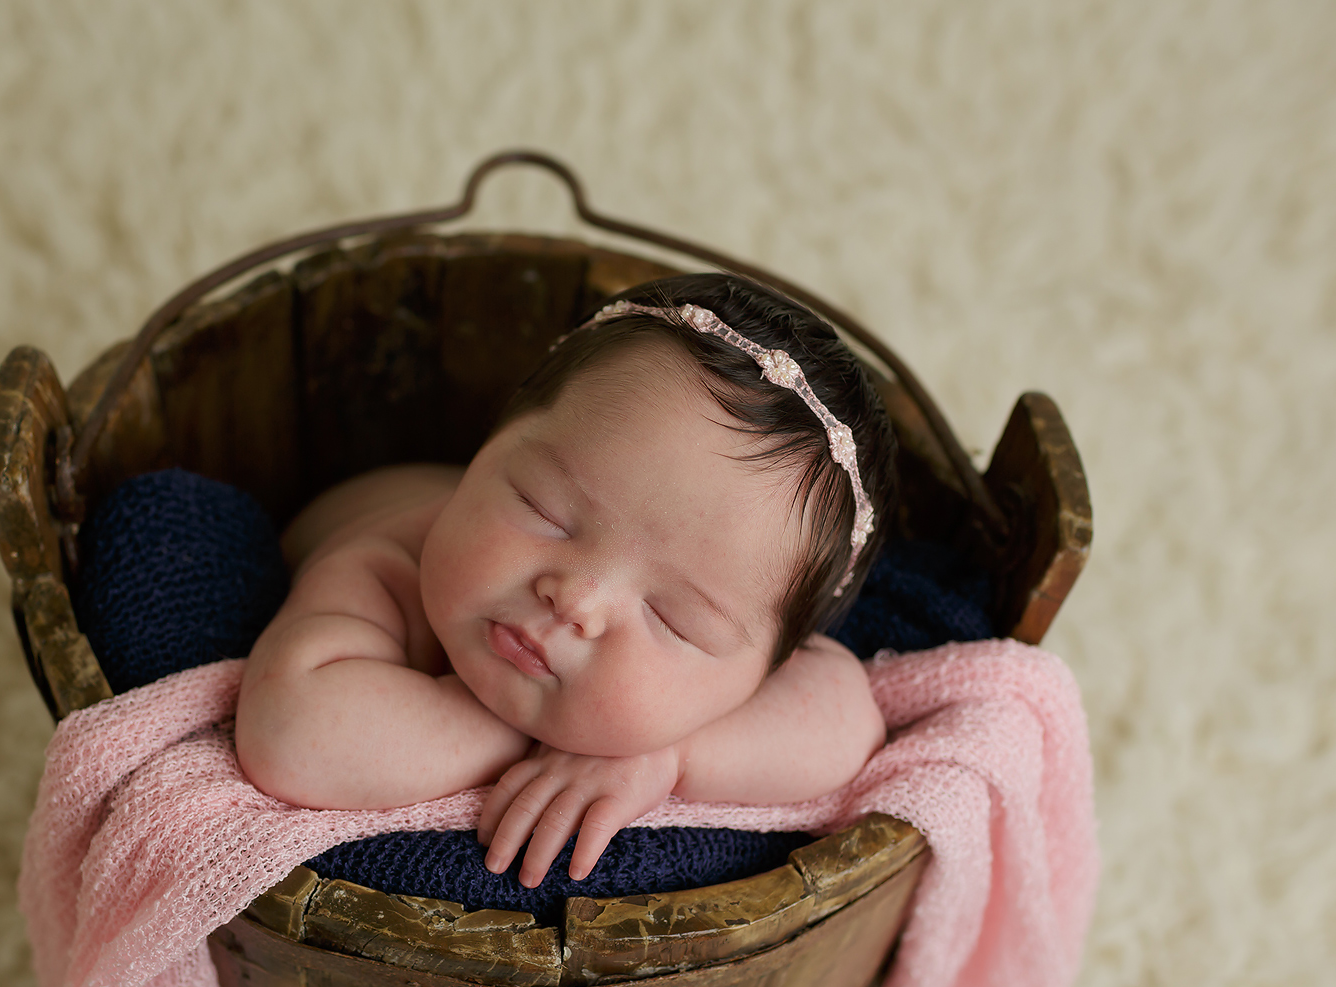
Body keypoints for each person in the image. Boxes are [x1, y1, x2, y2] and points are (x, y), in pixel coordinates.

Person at [236, 273, 898, 889]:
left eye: (672, 617)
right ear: (489, 442)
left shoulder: (745, 670)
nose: (576, 597)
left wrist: (666, 755)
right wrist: (546, 738)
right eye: (545, 511)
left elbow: (849, 719)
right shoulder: (387, 567)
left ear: (763, 673)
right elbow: (292, 735)